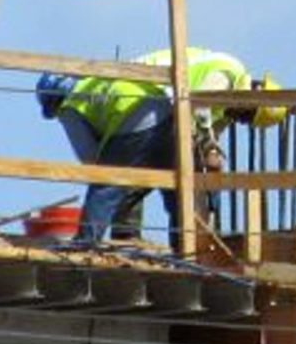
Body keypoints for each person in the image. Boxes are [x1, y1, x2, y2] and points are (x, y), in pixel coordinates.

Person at [37, 47, 282, 249]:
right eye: (246, 116)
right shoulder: (228, 74)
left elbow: (92, 161)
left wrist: (210, 153)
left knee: (128, 182)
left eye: (246, 121)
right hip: (149, 101)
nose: (240, 120)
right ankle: (172, 246)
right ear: (252, 96)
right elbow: (198, 106)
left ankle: (90, 244)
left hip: (150, 103)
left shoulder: (229, 99)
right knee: (156, 181)